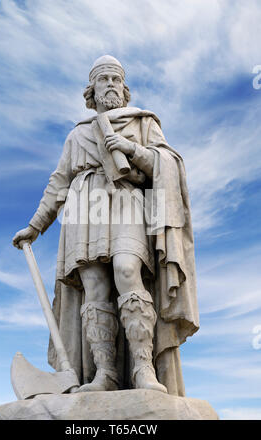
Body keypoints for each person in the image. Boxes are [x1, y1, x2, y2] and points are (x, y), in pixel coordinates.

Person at [13, 55, 199, 396]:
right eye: (104, 80)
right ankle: (105, 373)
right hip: (84, 209)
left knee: (128, 271)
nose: (111, 84)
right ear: (92, 90)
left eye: (116, 79)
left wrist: (131, 149)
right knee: (94, 288)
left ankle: (143, 368)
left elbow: (167, 163)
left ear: (124, 90)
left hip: (127, 201)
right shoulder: (78, 135)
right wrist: (35, 226)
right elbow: (58, 183)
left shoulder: (142, 123)